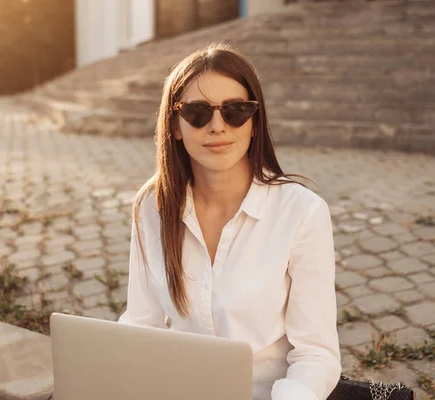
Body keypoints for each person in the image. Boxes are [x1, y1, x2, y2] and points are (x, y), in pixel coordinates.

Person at [118, 43, 341, 400]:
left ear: (255, 123)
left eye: (236, 110)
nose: (218, 126)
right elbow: (141, 325)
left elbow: (316, 354)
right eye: (197, 112)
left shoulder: (302, 212)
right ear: (175, 125)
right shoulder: (152, 205)